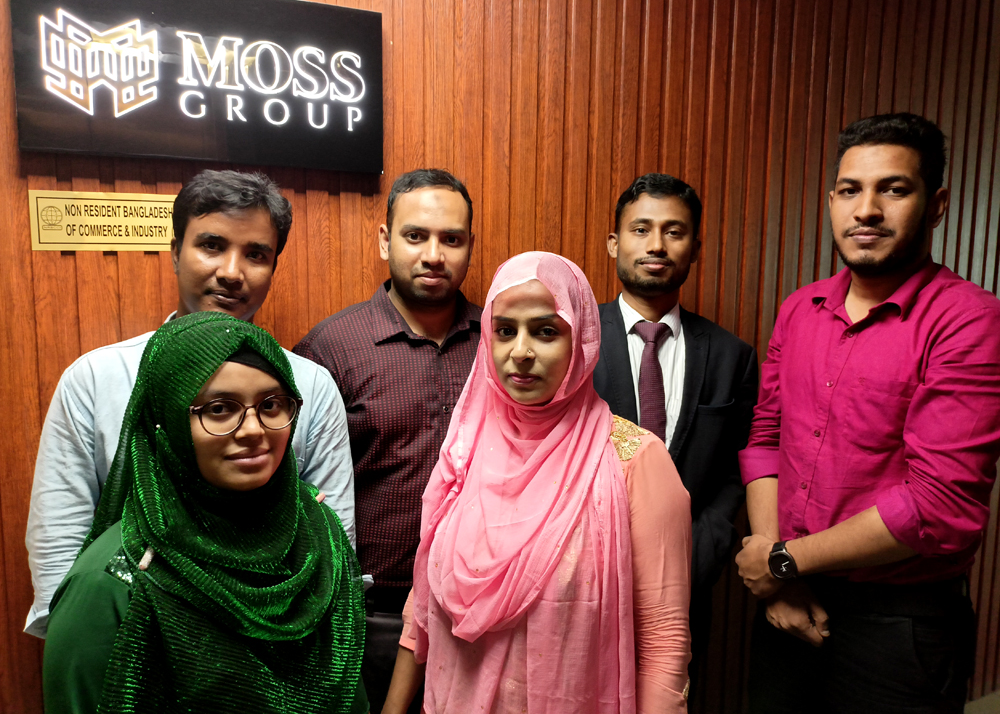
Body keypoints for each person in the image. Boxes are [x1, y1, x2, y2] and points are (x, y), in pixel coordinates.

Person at [735, 113, 1000, 713]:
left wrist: (779, 560)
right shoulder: (800, 308)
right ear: (832, 201)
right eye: (851, 190)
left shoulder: (968, 321)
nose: (867, 210)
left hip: (899, 624)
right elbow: (766, 439)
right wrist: (780, 571)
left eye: (894, 189)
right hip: (787, 598)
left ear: (936, 206)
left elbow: (940, 506)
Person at [25, 170, 355, 638]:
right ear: (176, 251)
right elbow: (60, 546)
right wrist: (80, 642)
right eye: (212, 245)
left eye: (256, 254)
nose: (232, 272)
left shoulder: (311, 386)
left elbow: (331, 541)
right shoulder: (97, 380)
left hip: (274, 648)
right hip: (130, 642)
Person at [383, 251, 692, 714]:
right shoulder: (466, 450)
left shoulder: (634, 461)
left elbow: (663, 640)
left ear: (581, 338)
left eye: (546, 331)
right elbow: (424, 604)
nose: (521, 352)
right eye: (505, 330)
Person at [42, 312, 367, 714]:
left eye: (271, 404)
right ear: (169, 420)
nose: (254, 430)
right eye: (219, 409)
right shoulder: (111, 583)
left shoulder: (319, 541)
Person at [294, 169, 480, 712]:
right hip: (371, 613)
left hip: (477, 609)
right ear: (385, 240)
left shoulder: (499, 341)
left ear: (470, 246)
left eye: (451, 239)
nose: (434, 255)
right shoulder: (332, 348)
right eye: (415, 236)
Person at [594, 173, 757, 686]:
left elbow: (734, 470)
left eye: (674, 231)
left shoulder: (731, 356)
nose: (657, 245)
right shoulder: (573, 342)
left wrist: (699, 553)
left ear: (695, 249)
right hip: (584, 586)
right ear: (615, 243)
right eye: (641, 229)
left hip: (685, 588)